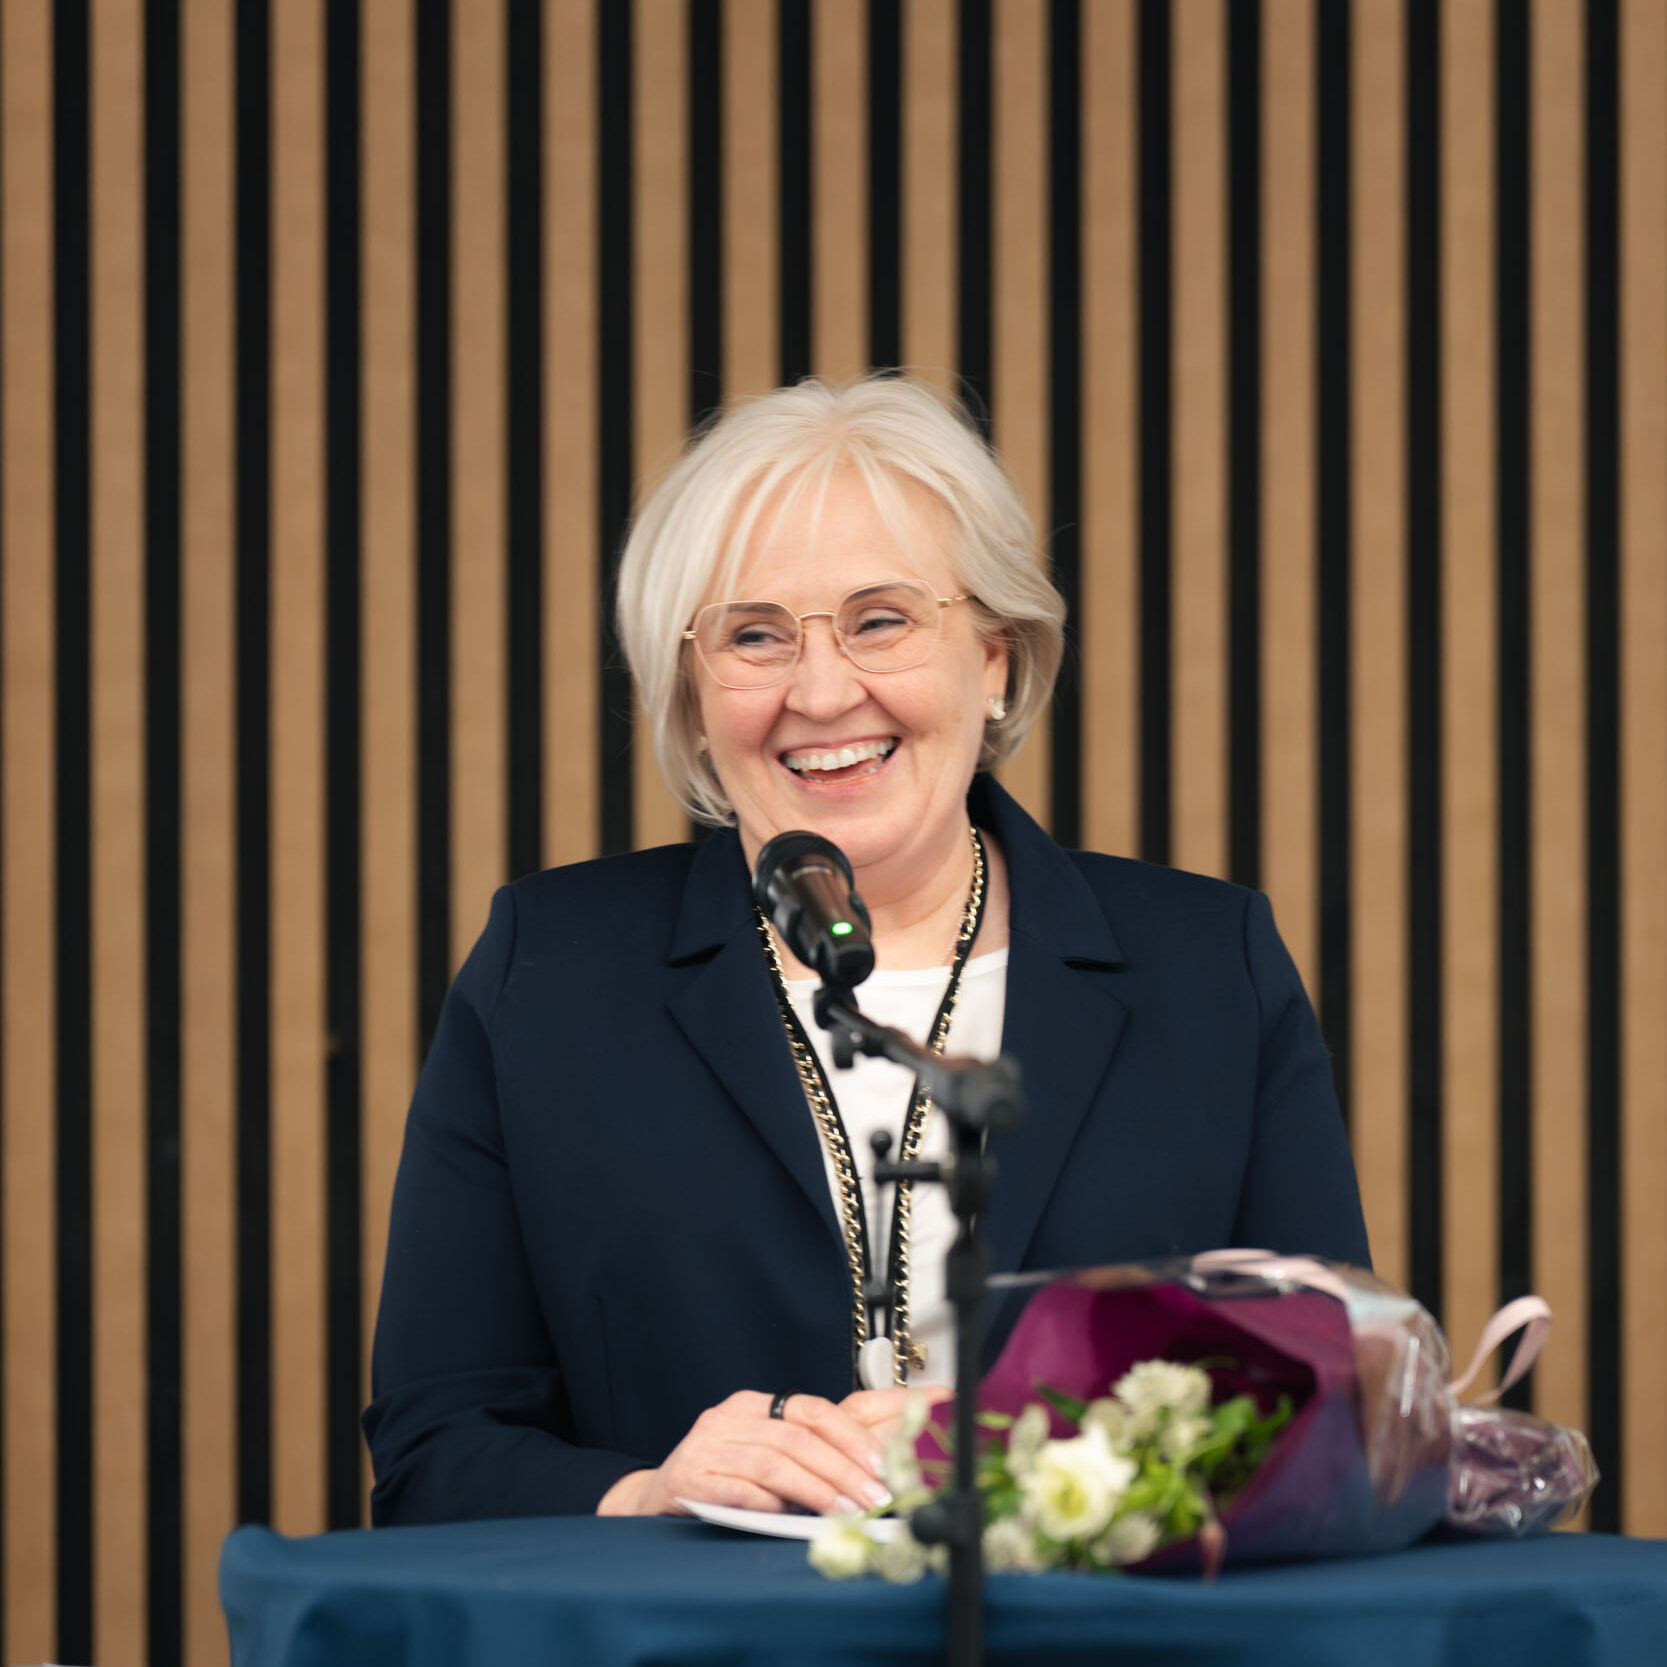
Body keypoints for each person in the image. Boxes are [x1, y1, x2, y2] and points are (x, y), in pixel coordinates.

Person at [363, 375, 1370, 1527]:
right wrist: (645, 1491)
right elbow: (434, 1449)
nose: (821, 689)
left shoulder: (1206, 968)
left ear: (993, 656)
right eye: (752, 635)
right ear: (690, 693)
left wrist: (1048, 1460)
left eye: (880, 619)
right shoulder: (550, 974)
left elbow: (1334, 1407)